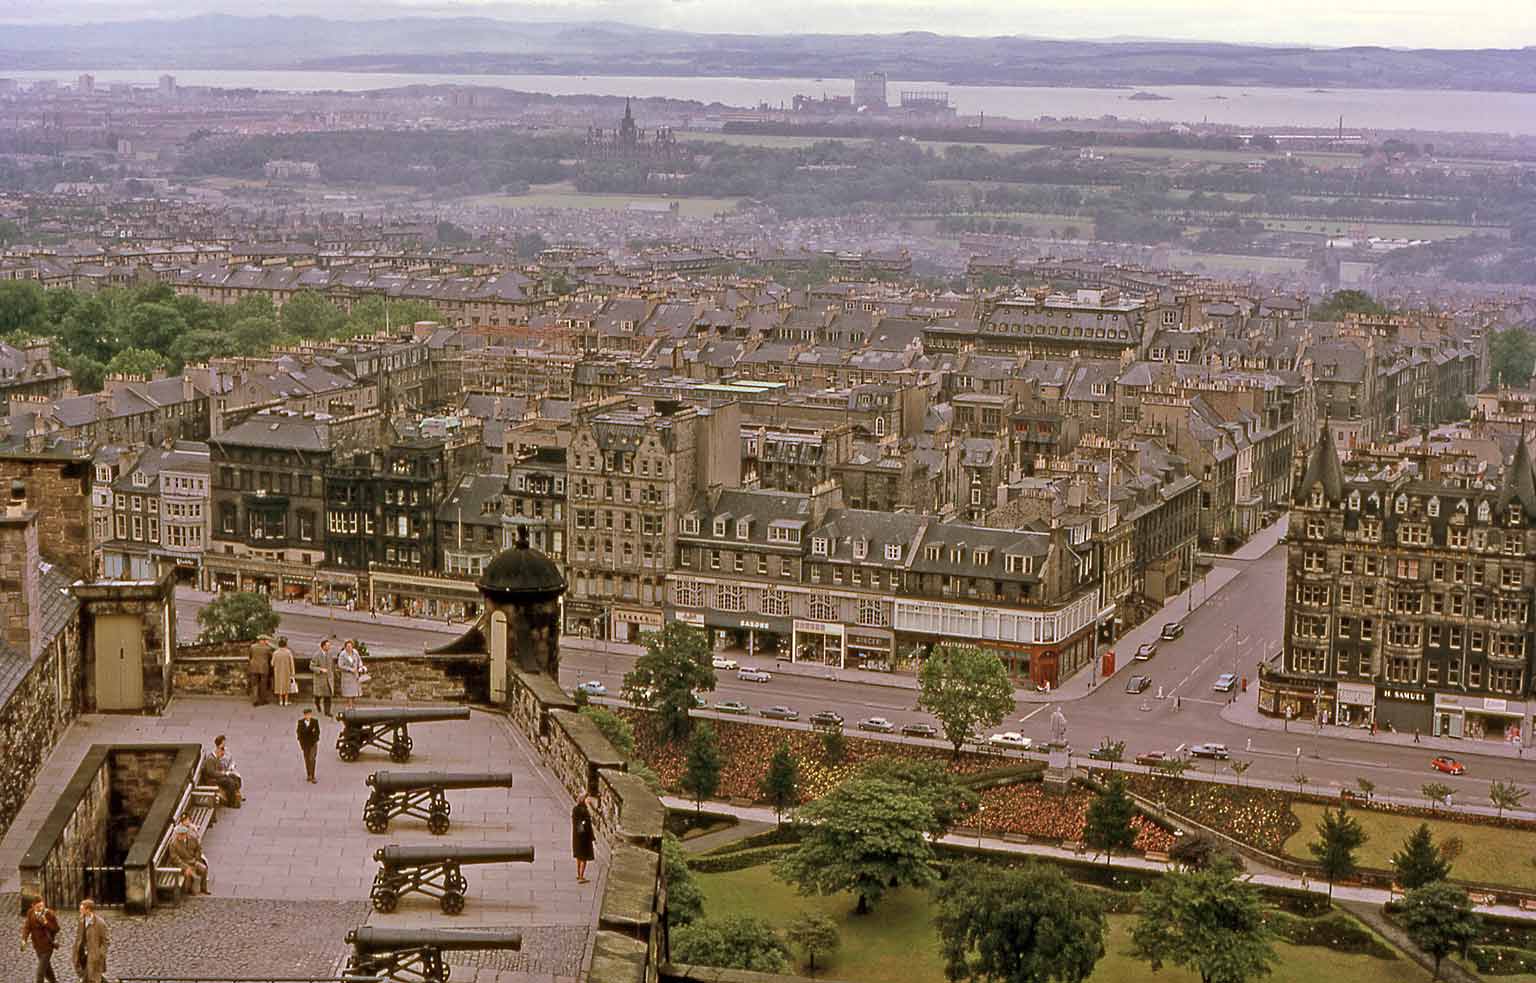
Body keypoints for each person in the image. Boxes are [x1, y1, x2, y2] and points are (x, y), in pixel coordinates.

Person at [167, 813, 209, 896]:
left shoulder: (192, 839)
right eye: (179, 834)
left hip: (192, 860)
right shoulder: (173, 844)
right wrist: (186, 867)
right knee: (189, 873)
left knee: (204, 869)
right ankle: (190, 891)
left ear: (186, 834)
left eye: (182, 835)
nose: (180, 836)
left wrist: (197, 859)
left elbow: (198, 849)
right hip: (182, 863)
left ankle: (204, 889)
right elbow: (175, 858)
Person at [20, 896, 60, 983]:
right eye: (38, 907)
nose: (41, 908)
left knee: (40, 973)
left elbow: (56, 929)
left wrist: (46, 923)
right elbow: (27, 927)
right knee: (47, 970)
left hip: (47, 946)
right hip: (37, 946)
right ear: (33, 906)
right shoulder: (30, 913)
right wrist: (24, 939)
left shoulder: (49, 914)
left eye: (42, 906)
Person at [72, 900, 108, 983]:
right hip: (82, 953)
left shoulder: (100, 923)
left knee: (90, 977)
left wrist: (100, 953)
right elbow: (79, 935)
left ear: (88, 910)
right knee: (89, 974)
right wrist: (76, 948)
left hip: (94, 954)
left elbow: (106, 941)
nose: (79, 910)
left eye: (81, 909)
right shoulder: (81, 919)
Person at [204, 735, 243, 807]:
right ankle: (231, 802)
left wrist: (226, 772)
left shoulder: (217, 758)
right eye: (221, 752)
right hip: (213, 779)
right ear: (218, 750)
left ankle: (235, 795)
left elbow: (221, 768)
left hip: (218, 776)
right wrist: (223, 774)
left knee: (235, 777)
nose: (222, 754)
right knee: (229, 782)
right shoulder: (210, 759)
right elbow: (211, 773)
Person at [571, 792, 595, 884]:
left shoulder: (575, 809)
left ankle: (579, 875)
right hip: (583, 838)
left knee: (579, 857)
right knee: (583, 858)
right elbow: (585, 824)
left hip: (576, 837)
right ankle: (581, 876)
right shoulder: (584, 811)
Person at [336, 639, 364, 713]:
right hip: (347, 676)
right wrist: (350, 669)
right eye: (348, 646)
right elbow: (340, 665)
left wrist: (360, 667)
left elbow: (359, 660)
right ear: (345, 647)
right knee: (349, 693)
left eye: (350, 646)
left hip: (355, 676)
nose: (349, 648)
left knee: (355, 692)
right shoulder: (342, 654)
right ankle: (350, 706)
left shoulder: (355, 652)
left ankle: (353, 705)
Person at [311, 638, 336, 717]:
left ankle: (327, 712)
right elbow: (311, 666)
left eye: (329, 646)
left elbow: (332, 665)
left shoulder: (330, 654)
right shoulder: (316, 655)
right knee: (318, 696)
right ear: (323, 646)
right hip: (320, 679)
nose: (329, 647)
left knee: (328, 697)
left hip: (328, 679)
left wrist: (333, 673)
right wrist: (320, 670)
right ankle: (317, 703)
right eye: (327, 646)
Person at [248, 634, 273, 707]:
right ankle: (263, 700)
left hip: (253, 667)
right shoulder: (267, 648)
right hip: (264, 668)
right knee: (263, 684)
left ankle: (255, 700)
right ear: (264, 640)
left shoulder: (252, 647)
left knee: (254, 684)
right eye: (265, 640)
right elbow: (270, 657)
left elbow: (250, 656)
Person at [297, 707, 320, 783]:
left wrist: (316, 739)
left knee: (312, 759)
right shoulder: (300, 722)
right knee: (307, 759)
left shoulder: (315, 721)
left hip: (313, 743)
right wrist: (301, 744)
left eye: (309, 714)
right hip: (305, 744)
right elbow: (300, 734)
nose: (308, 716)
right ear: (304, 715)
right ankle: (308, 774)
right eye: (307, 715)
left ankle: (313, 776)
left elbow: (317, 732)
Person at [271, 636, 296, 708]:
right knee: (286, 686)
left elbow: (272, 663)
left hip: (278, 671)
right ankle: (286, 701)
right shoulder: (288, 652)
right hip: (287, 671)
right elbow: (291, 663)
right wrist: (293, 672)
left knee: (279, 685)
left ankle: (280, 701)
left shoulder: (275, 653)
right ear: (286, 644)